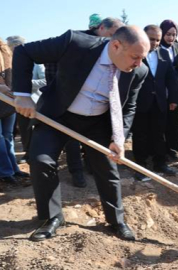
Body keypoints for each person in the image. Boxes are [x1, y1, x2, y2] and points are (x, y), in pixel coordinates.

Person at [12, 26, 150, 242]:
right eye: (135, 57)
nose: (138, 64)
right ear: (116, 45)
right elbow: (24, 52)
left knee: (107, 168)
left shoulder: (138, 72)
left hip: (98, 123)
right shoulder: (75, 43)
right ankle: (52, 218)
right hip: (58, 115)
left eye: (142, 58)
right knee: (41, 161)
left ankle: (116, 221)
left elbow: (129, 107)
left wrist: (119, 138)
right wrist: (22, 95)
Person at [44, 17, 124, 188]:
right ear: (102, 28)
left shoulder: (112, 54)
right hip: (68, 106)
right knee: (72, 142)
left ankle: (91, 167)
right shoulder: (77, 42)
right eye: (112, 35)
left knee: (95, 144)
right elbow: (53, 69)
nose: (115, 42)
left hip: (94, 111)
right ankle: (76, 172)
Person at [131, 25, 178, 180]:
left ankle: (160, 163)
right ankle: (141, 167)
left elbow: (172, 79)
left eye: (158, 40)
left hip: (159, 102)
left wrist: (173, 98)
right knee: (140, 135)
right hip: (140, 102)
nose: (154, 43)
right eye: (151, 39)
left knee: (159, 134)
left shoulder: (164, 54)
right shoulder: (134, 53)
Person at [7, 36, 46, 165]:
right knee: (24, 129)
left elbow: (45, 80)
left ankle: (43, 154)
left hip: (35, 102)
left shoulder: (36, 63)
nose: (9, 50)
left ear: (17, 46)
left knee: (41, 129)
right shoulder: (9, 65)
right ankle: (28, 154)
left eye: (10, 47)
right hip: (17, 103)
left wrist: (23, 85)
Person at [0, 38, 29, 183]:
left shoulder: (5, 51)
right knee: (4, 138)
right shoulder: (6, 50)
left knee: (6, 137)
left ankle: (10, 171)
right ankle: (9, 171)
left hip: (6, 100)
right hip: (7, 100)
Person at [159, 19, 178, 160]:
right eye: (168, 34)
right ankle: (160, 150)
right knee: (161, 121)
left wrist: (177, 93)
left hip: (174, 90)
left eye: (174, 34)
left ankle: (173, 148)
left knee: (173, 121)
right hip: (160, 90)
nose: (171, 37)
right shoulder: (155, 48)